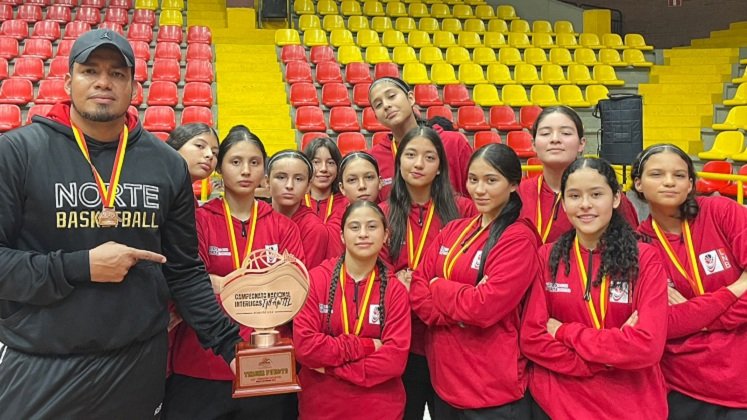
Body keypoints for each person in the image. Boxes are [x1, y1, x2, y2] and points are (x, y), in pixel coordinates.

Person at [0, 29, 241, 419]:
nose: (103, 82)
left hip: (136, 361)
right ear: (67, 81)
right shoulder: (17, 153)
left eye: (117, 74)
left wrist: (230, 346)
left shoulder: (166, 164)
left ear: (132, 85)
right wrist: (81, 266)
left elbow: (184, 270)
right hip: (42, 360)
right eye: (90, 70)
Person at [164, 127, 306, 420]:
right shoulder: (196, 221)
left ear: (264, 170)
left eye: (255, 162)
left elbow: (293, 295)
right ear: (219, 168)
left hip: (267, 365)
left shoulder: (283, 227)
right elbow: (190, 287)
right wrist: (264, 282)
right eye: (236, 161)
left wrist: (218, 283)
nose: (246, 170)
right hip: (201, 364)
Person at [521, 157, 668, 420]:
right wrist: (609, 355)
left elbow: (647, 346)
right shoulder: (546, 257)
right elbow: (532, 338)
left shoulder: (645, 258)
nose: (585, 204)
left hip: (632, 405)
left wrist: (565, 332)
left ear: (615, 198)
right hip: (558, 405)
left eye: (596, 194)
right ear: (563, 203)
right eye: (574, 196)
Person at [410, 143, 540, 418]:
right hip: (445, 381)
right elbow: (417, 288)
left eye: (491, 180)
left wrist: (438, 286)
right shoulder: (454, 229)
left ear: (514, 184)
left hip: (492, 390)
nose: (479, 190)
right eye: (473, 179)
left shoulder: (518, 238)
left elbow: (483, 307)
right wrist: (459, 305)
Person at [632, 144, 747, 418]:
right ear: (638, 183)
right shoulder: (638, 245)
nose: (669, 182)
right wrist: (736, 288)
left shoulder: (722, 212)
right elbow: (665, 323)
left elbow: (682, 317)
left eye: (680, 175)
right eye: (657, 174)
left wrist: (695, 313)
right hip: (683, 386)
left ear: (691, 183)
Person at [380, 126, 475, 420]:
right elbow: (377, 278)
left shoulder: (464, 211)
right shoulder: (381, 215)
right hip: (401, 343)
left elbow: (472, 280)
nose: (418, 164)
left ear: (440, 168)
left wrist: (415, 286)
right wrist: (399, 285)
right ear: (399, 163)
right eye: (410, 155)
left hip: (451, 342)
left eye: (429, 157)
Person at [294, 200, 411, 420]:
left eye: (372, 227)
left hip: (380, 410)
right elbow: (305, 347)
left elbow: (394, 361)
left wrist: (331, 368)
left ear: (386, 235)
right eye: (354, 227)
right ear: (341, 236)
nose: (363, 234)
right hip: (322, 409)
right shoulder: (316, 280)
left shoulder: (395, 290)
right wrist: (366, 345)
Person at [518, 106, 639, 244]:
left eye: (566, 133)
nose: (555, 139)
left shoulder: (607, 194)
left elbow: (631, 248)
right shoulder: (518, 193)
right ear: (533, 144)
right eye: (545, 133)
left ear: (581, 144)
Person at [368, 77, 472, 201]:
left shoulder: (454, 143)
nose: (386, 105)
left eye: (391, 96)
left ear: (410, 98)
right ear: (376, 117)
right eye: (378, 105)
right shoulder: (374, 158)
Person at [267, 149, 330, 268]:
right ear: (267, 181)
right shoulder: (258, 218)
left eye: (298, 179)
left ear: (308, 186)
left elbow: (305, 279)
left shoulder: (314, 229)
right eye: (281, 177)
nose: (289, 186)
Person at [302, 137, 347, 224]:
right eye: (316, 162)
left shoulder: (347, 203)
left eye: (330, 163)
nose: (323, 169)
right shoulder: (296, 202)